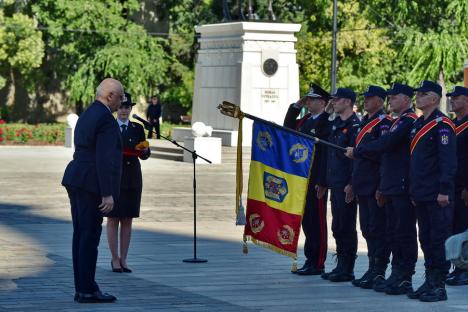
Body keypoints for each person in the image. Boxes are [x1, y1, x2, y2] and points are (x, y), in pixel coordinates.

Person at [345, 83, 418, 295]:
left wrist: (359, 151)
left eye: (395, 97)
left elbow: (386, 145)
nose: (391, 100)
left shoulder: (407, 121)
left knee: (402, 233)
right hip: (390, 184)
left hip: (401, 186)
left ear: (406, 99)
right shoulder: (398, 122)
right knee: (390, 232)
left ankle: (403, 276)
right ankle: (392, 273)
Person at [62, 78, 124, 303]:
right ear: (110, 96)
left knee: (80, 236)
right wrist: (107, 193)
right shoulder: (106, 119)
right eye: (120, 96)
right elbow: (104, 159)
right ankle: (87, 289)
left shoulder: (88, 113)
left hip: (76, 178)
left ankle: (83, 287)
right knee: (89, 237)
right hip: (91, 184)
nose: (122, 101)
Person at [407, 80, 456, 302]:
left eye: (423, 94)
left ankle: (439, 286)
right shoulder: (419, 124)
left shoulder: (442, 124)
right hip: (421, 192)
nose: (418, 97)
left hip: (438, 194)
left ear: (434, 99)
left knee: (438, 239)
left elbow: (448, 161)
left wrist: (444, 190)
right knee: (425, 239)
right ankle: (429, 281)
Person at [283, 84, 331, 275]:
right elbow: (287, 127)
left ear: (322, 102)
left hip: (316, 177)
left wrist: (323, 181)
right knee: (307, 222)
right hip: (301, 176)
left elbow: (325, 154)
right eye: (307, 99)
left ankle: (318, 262)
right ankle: (310, 259)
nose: (308, 102)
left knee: (317, 221)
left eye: (312, 99)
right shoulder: (304, 121)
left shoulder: (326, 122)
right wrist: (296, 106)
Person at [350, 86, 392, 289]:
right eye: (365, 98)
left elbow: (381, 154)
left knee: (377, 229)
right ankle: (371, 267)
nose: (366, 101)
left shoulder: (384, 123)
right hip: (362, 184)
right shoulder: (364, 122)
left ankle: (379, 270)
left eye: (371, 98)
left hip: (374, 183)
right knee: (367, 229)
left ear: (380, 101)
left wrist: (381, 186)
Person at [106, 92, 151, 273]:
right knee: (113, 218)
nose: (124, 110)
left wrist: (146, 151)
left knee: (127, 219)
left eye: (127, 107)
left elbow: (144, 152)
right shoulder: (109, 126)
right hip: (114, 177)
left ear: (131, 109)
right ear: (116, 108)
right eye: (121, 107)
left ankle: (124, 259)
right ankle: (114, 258)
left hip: (132, 177)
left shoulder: (137, 128)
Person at [321, 88, 360, 282]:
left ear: (347, 101)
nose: (333, 102)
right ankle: (340, 264)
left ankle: (347, 267)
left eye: (336, 100)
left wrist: (352, 184)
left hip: (345, 184)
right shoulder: (335, 123)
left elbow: (355, 159)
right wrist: (327, 112)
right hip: (334, 182)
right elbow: (319, 133)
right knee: (337, 225)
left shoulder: (355, 125)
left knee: (346, 225)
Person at [445, 86, 468, 286]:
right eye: (451, 97)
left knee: (464, 227)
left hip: (464, 187)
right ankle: (458, 266)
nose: (452, 100)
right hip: (453, 185)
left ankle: (466, 269)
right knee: (454, 228)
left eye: (456, 97)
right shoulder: (452, 124)